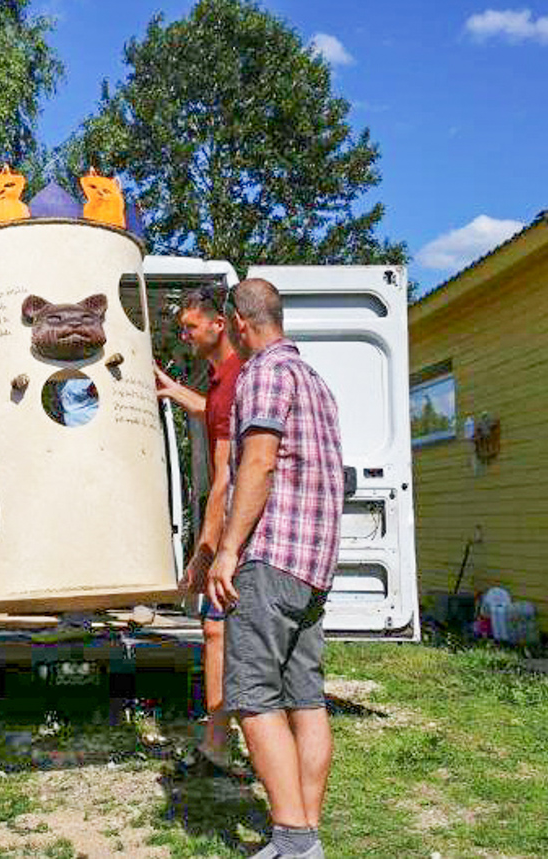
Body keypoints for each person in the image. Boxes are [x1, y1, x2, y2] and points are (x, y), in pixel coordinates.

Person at [206, 278, 343, 859]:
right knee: (306, 700)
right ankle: (302, 829)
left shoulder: (262, 372)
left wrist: (229, 548)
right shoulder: (316, 382)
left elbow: (258, 464)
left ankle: (294, 840)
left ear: (239, 322)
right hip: (313, 564)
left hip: (271, 557)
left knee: (252, 697)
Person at [154, 284, 244, 777]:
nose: (185, 335)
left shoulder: (234, 380)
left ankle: (224, 740)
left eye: (190, 328)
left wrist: (204, 552)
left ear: (219, 324)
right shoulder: (221, 378)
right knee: (218, 631)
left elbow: (224, 480)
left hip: (237, 532)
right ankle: (218, 740)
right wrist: (174, 391)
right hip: (235, 529)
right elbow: (212, 412)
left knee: (220, 633)